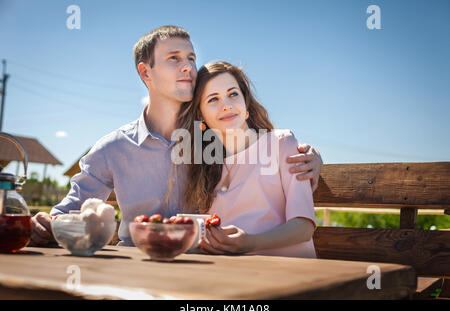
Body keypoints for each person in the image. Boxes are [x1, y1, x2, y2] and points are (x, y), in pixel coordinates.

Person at [30, 25, 323, 247]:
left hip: (204, 273)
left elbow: (261, 151)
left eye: (191, 58)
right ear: (146, 73)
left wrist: (311, 158)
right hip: (134, 270)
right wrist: (44, 222)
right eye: (173, 58)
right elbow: (67, 212)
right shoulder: (114, 148)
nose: (188, 66)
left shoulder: (213, 138)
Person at [172, 61, 316, 258]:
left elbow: (303, 227)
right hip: (232, 275)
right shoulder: (207, 167)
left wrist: (250, 243)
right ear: (200, 115)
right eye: (213, 99)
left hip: (288, 272)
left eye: (233, 94)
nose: (227, 105)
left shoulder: (281, 143)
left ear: (245, 103)